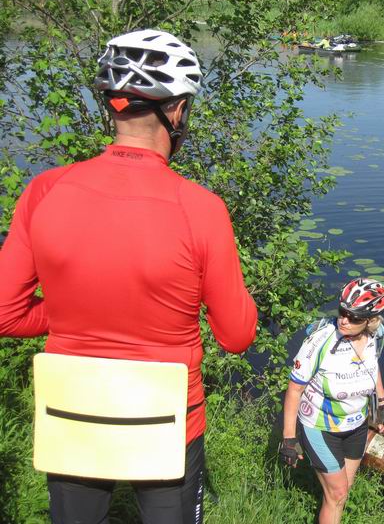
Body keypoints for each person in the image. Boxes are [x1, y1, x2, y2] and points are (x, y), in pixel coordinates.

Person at [0, 29, 258, 523]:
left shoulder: (45, 190)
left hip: (73, 411)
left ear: (112, 107)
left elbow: (6, 313)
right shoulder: (201, 209)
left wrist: (71, 312)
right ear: (178, 110)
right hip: (167, 424)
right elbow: (238, 334)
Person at [281, 278, 384, 524]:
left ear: (370, 321)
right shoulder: (321, 340)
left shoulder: (376, 335)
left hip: (356, 425)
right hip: (319, 426)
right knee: (337, 492)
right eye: (342, 313)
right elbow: (294, 390)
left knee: (341, 494)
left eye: (353, 318)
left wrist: (381, 404)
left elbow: (373, 367)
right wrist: (289, 438)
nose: (344, 320)